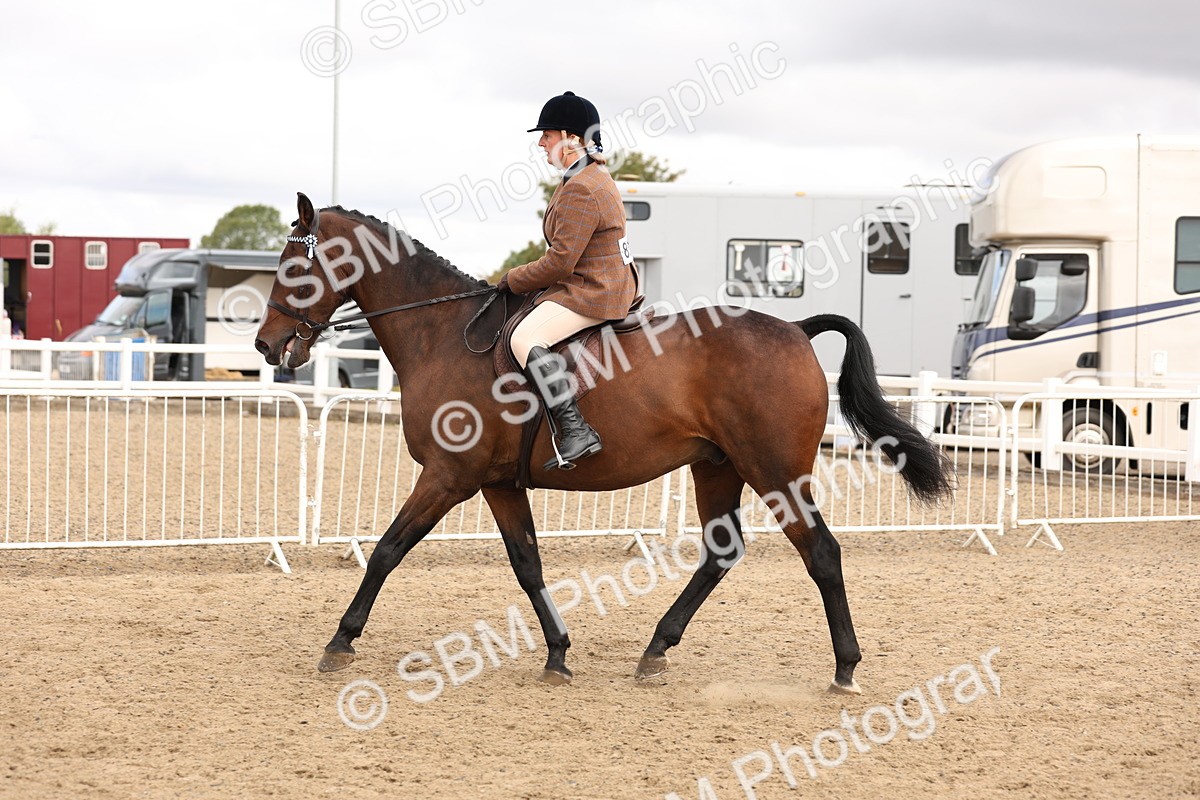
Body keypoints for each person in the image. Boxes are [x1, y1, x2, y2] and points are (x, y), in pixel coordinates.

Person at [498, 90, 638, 470]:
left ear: (571, 138)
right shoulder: (583, 175)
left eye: (547, 135)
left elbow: (560, 262)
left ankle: (575, 430)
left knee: (525, 337)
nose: (541, 143)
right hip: (593, 280)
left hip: (595, 289)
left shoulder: (582, 186)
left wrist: (511, 279)